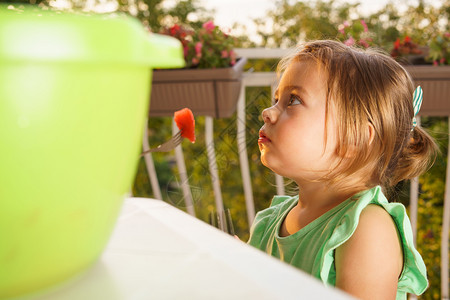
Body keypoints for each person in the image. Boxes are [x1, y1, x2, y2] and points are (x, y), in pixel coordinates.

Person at [247, 40, 437, 300]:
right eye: (276, 99)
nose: (267, 112)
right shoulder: (271, 221)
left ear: (354, 139)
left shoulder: (367, 229)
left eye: (293, 100)